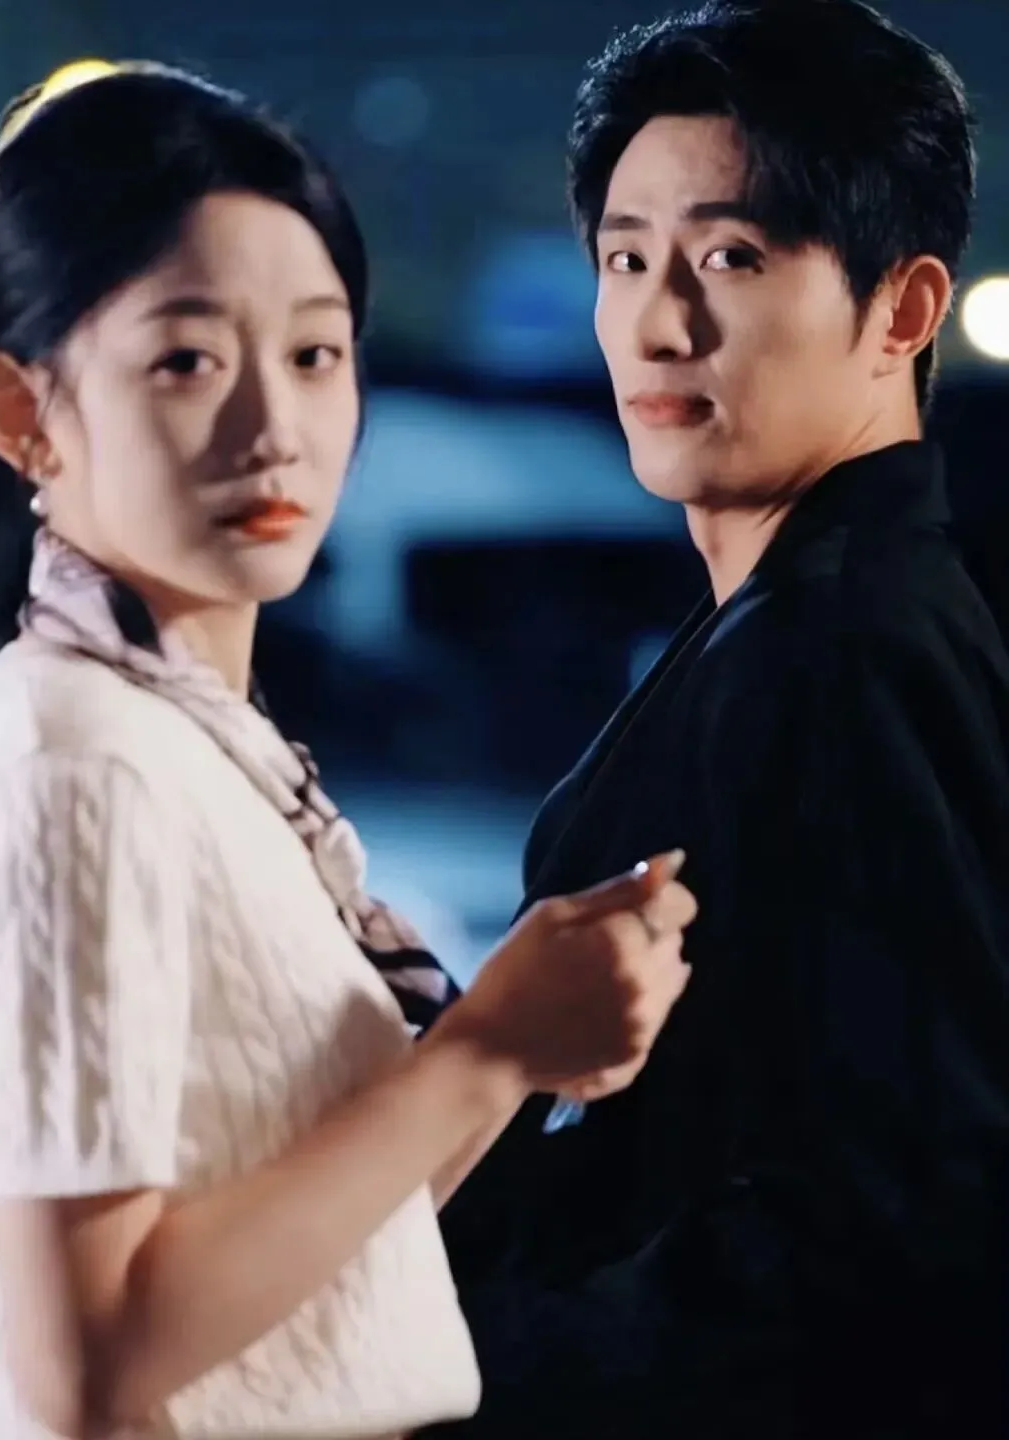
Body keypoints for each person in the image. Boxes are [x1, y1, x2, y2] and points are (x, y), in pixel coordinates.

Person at [0, 62, 699, 1440]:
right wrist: (480, 1054)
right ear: (20, 414)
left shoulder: (199, 746)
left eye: (314, 355)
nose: (274, 429)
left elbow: (321, 1273)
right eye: (186, 361)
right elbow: (84, 1366)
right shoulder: (79, 762)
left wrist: (516, 1040)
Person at [430, 2, 1009, 1436]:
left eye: (733, 257)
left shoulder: (848, 644)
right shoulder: (789, 612)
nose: (658, 322)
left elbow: (904, 1215)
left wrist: (468, 1375)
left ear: (904, 312)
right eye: (626, 258)